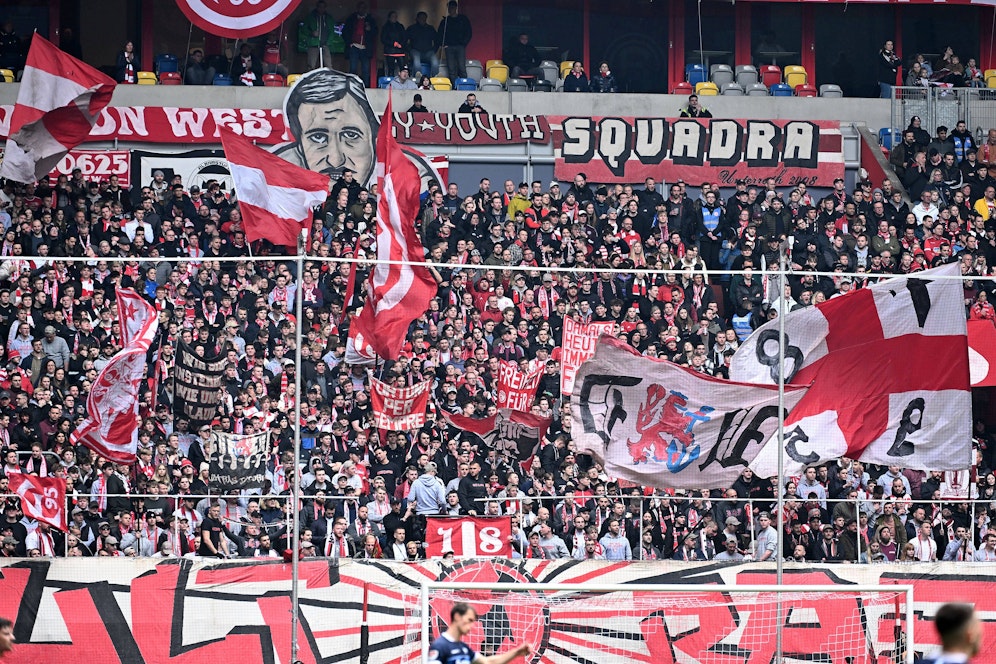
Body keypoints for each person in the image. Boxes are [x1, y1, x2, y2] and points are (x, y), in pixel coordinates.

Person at [279, 68, 379, 185]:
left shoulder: (401, 176)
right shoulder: (276, 184)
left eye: (351, 135)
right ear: (300, 146)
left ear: (373, 139)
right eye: (318, 137)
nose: (335, 160)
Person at [427, 602, 532, 664]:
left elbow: (488, 662)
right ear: (457, 616)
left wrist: (516, 652)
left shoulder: (463, 648)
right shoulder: (440, 646)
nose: (472, 625)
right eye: (469, 620)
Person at [343, 2, 377, 87]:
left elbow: (375, 33)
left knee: (365, 69)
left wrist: (370, 29)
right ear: (357, 8)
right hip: (354, 46)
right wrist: (349, 43)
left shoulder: (370, 20)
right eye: (361, 8)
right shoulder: (351, 18)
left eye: (364, 8)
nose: (362, 9)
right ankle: (351, 86)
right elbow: (345, 32)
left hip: (365, 47)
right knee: (353, 68)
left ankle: (365, 87)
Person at [439, 1, 472, 82]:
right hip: (449, 47)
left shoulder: (463, 19)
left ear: (456, 8)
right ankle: (454, 86)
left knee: (462, 67)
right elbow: (440, 34)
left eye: (453, 7)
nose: (451, 9)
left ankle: (464, 85)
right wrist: (443, 44)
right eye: (450, 8)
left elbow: (468, 32)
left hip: (460, 46)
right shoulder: (445, 21)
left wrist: (464, 43)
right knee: (451, 68)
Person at [304, 0, 335, 70]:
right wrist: (311, 33)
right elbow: (304, 29)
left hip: (325, 45)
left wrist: (328, 43)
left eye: (323, 7)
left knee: (329, 66)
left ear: (325, 8)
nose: (321, 9)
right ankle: (311, 80)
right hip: (313, 45)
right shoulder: (310, 17)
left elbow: (332, 31)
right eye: (320, 7)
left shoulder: (329, 18)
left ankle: (329, 80)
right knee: (311, 66)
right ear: (317, 7)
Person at [407, 11, 439, 77]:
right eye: (421, 18)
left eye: (424, 18)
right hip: (416, 51)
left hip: (428, 52)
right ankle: (419, 80)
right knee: (417, 63)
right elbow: (404, 41)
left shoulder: (430, 28)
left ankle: (435, 79)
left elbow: (437, 40)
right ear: (417, 18)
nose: (423, 19)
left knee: (435, 62)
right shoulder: (412, 28)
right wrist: (410, 50)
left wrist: (434, 50)